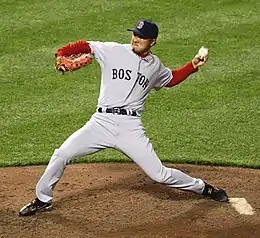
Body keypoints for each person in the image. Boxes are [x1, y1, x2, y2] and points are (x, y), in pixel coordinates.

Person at [19, 20, 228, 216]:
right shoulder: (113, 50)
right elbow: (85, 45)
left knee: (159, 175)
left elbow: (170, 79)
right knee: (62, 153)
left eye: (142, 37)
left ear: (153, 41)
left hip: (130, 128)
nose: (136, 39)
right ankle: (42, 199)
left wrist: (192, 65)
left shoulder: (154, 65)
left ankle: (204, 188)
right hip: (101, 123)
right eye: (135, 34)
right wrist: (61, 54)